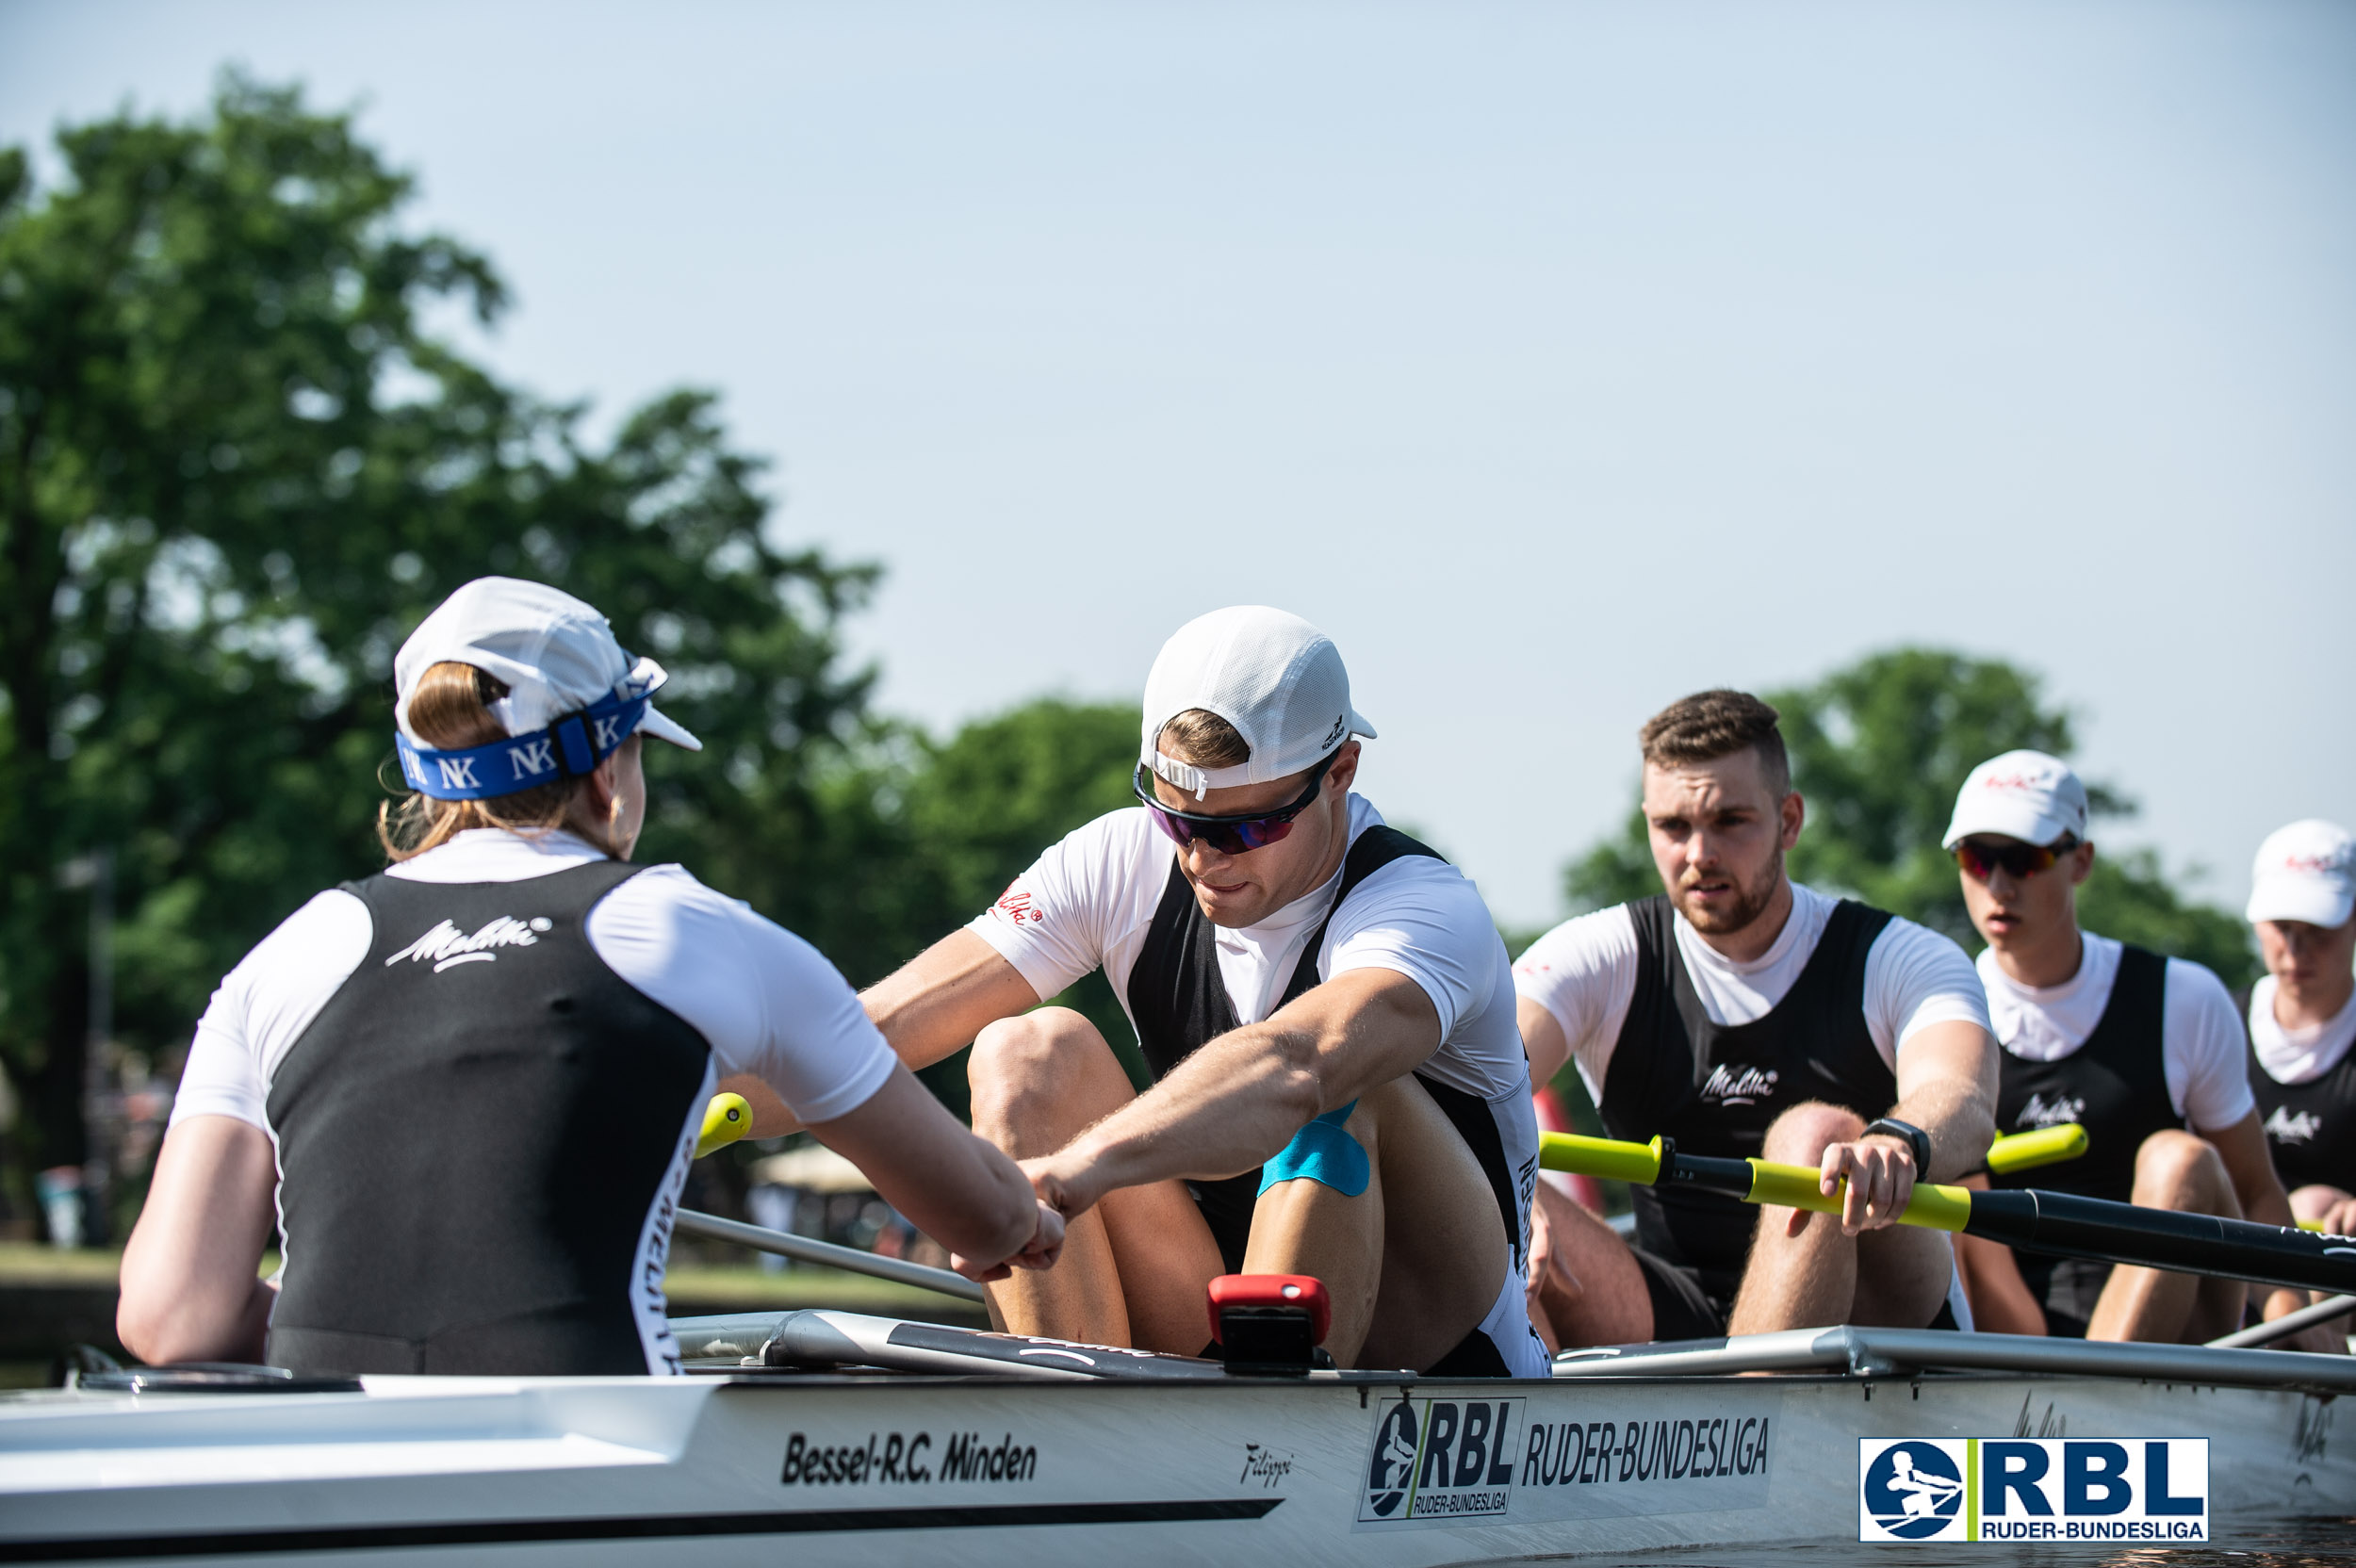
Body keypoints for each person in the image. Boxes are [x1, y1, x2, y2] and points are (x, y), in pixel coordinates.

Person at [118, 578, 1060, 1376]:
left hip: (317, 1469)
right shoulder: (700, 933)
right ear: (610, 770)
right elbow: (976, 1215)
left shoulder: (288, 953)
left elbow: (169, 1322)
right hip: (601, 1459)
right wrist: (1028, 1215)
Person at [732, 606, 1546, 1375]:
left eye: (1244, 829)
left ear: (1339, 772)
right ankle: (1070, 1427)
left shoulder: (1423, 909)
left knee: (1339, 1084)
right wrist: (670, 1099)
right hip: (1219, 1304)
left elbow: (1298, 1063)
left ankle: (1264, 1435)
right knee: (1026, 1049)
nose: (1201, 859)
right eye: (1177, 820)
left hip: (1446, 1334)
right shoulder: (1118, 863)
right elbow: (874, 1027)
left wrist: (1076, 1169)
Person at [1514, 690, 1996, 1346]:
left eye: (1730, 821)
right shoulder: (1599, 954)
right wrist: (1507, 1187)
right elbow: (1474, 1084)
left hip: (1872, 1305)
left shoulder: (1899, 957)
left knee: (1816, 1139)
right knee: (1468, 1170)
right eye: (1673, 827)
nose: (1698, 854)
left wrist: (1898, 1142)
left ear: (1790, 821)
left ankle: (1750, 1410)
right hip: (1669, 1305)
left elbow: (1962, 1099)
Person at [1939, 752, 2315, 1347]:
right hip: (2012, 1321)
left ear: (2080, 861)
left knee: (2181, 1158)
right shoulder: (1942, 1009)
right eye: (1976, 858)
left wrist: (2306, 1338)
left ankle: (2091, 1390)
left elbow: (2255, 1191)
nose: (1998, 884)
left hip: (2180, 1326)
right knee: (1935, 1173)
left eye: (2024, 858)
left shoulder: (2182, 998)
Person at [2244, 820, 2356, 1340]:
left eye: (2318, 929)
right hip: (2239, 1275)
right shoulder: (2220, 1020)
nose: (2295, 948)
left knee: (2312, 1206)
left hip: (2342, 1282)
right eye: (2282, 926)